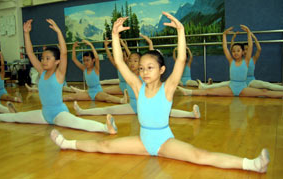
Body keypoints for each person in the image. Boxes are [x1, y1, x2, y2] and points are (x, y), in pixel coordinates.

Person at [50, 13, 269, 173]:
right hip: (143, 141)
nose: (144, 71)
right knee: (104, 146)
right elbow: (120, 62)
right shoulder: (137, 86)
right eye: (142, 68)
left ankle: (251, 164)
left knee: (199, 156)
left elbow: (181, 60)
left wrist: (181, 32)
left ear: (162, 70)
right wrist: (114, 36)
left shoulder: (168, 87)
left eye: (150, 67)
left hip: (164, 141)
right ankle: (67, 143)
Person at [0, 19, 117, 135]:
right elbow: (29, 52)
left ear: (57, 61)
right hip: (43, 114)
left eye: (48, 58)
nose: (43, 61)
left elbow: (64, 53)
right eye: (42, 58)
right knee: (17, 117)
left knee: (78, 123)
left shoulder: (59, 74)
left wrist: (58, 32)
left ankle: (105, 128)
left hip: (59, 113)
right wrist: (26, 33)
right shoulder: (42, 72)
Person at [178, 26, 283, 98]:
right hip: (231, 87)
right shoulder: (231, 61)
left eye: (238, 51)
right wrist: (224, 35)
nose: (235, 53)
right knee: (209, 92)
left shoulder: (246, 61)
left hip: (243, 88)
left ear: (242, 52)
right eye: (233, 51)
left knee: (264, 92)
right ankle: (189, 92)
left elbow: (250, 46)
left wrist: (248, 33)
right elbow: (224, 47)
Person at [62, 40, 127, 103]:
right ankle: (55, 101)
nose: (85, 62)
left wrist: (91, 45)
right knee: (72, 97)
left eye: (87, 60)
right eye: (84, 60)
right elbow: (74, 59)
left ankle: (121, 100)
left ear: (93, 60)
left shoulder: (96, 69)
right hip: (89, 92)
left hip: (98, 92)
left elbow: (97, 58)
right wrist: (73, 47)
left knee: (107, 97)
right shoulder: (84, 69)